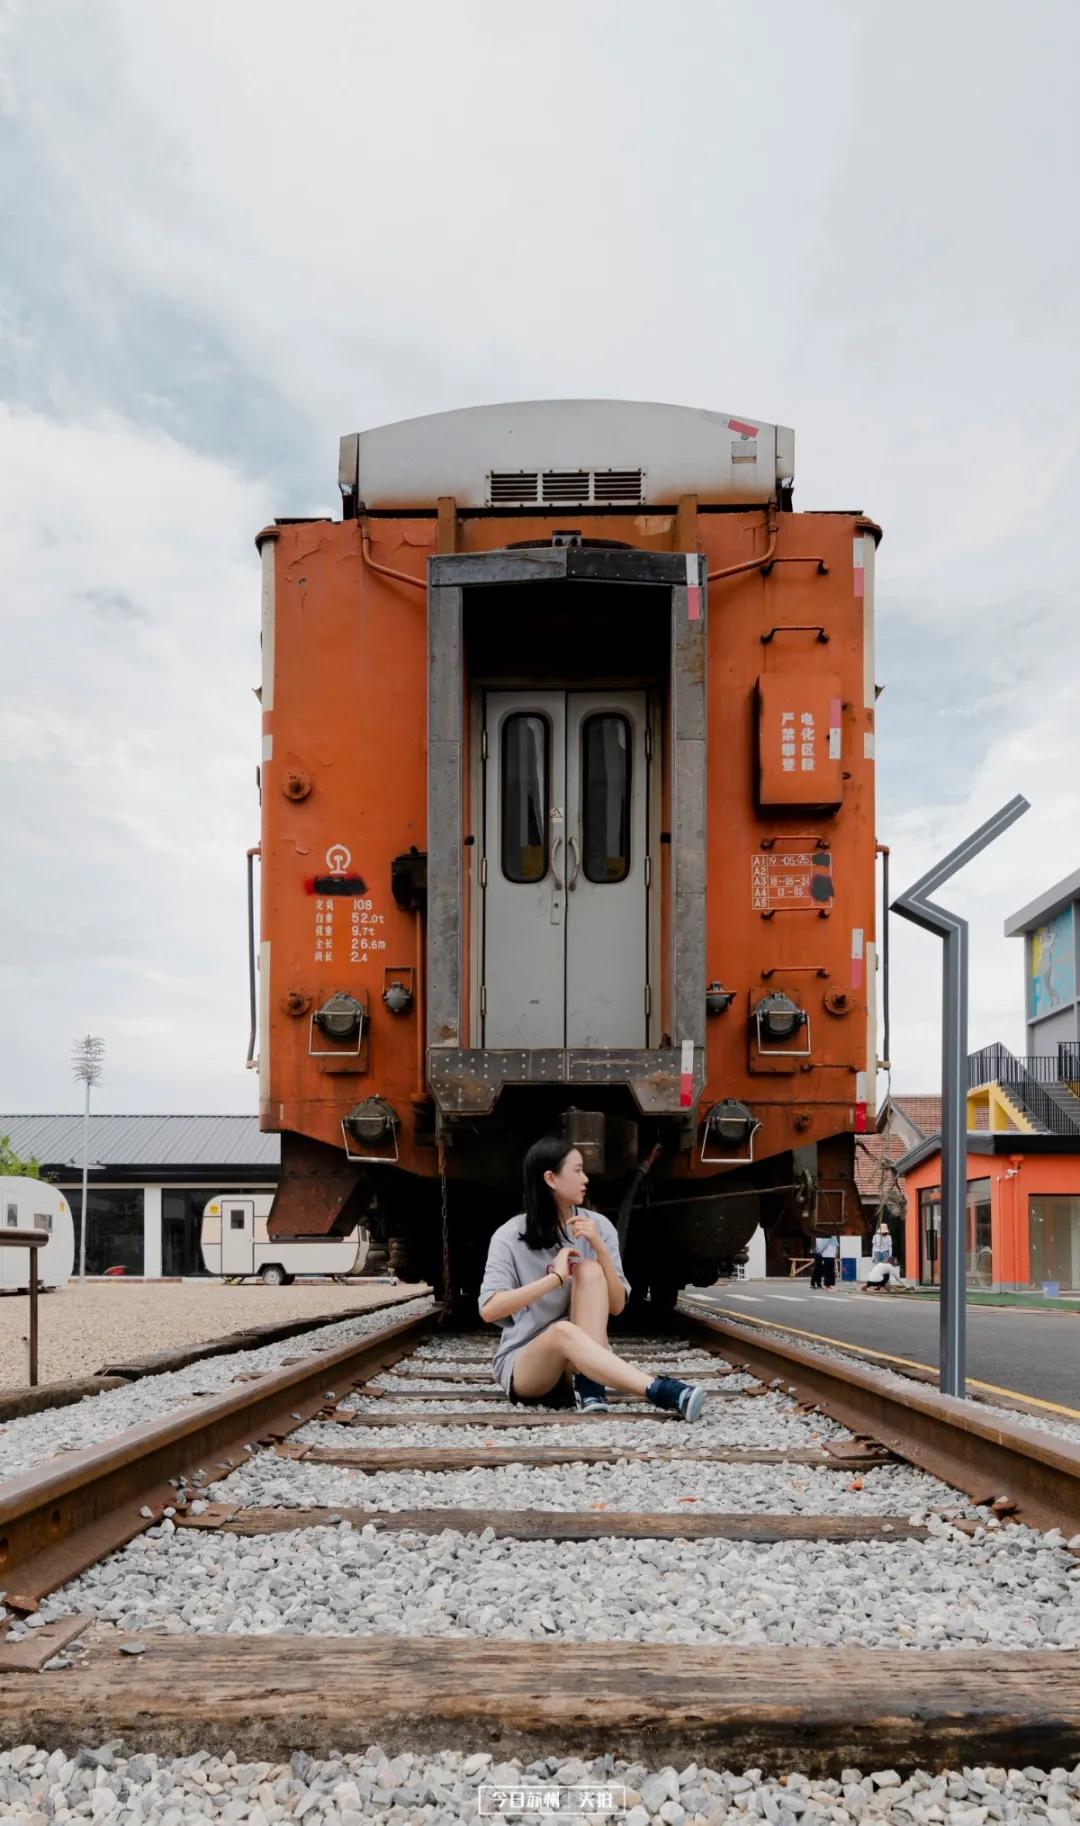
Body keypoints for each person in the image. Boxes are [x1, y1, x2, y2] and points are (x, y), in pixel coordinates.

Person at [478, 1133, 707, 1421]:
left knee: (589, 1269)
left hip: (584, 1360)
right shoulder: (510, 1235)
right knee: (562, 1332)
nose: (586, 1178)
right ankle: (660, 1390)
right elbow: (489, 1309)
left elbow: (616, 1307)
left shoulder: (599, 1227)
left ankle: (589, 1387)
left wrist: (598, 1248)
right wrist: (555, 1279)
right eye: (577, 1170)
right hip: (529, 1367)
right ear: (551, 1179)